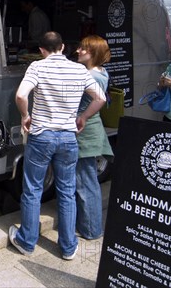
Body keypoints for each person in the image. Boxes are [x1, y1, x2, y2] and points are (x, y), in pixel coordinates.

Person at [9, 31, 106, 260]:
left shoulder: (37, 67)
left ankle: (27, 241)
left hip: (41, 136)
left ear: (41, 50)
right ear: (62, 47)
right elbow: (100, 98)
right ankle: (68, 247)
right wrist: (82, 117)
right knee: (66, 192)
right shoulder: (79, 69)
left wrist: (25, 116)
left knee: (32, 190)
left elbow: (21, 95)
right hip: (68, 138)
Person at [75, 35, 114, 240]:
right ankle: (87, 225)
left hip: (85, 131)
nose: (79, 51)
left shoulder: (93, 75)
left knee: (85, 182)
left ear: (95, 52)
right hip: (89, 130)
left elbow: (98, 101)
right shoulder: (99, 71)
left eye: (84, 49)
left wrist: (82, 117)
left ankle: (91, 230)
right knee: (85, 179)